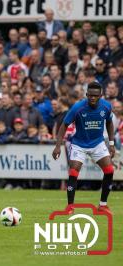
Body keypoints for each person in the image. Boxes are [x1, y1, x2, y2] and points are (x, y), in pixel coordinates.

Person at [52, 82, 115, 214]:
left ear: (100, 96)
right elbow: (64, 125)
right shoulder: (77, 107)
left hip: (97, 143)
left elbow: (109, 123)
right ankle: (70, 207)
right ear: (86, 95)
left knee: (109, 170)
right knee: (73, 171)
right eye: (90, 95)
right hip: (79, 144)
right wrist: (58, 146)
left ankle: (103, 205)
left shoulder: (106, 106)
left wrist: (111, 143)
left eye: (95, 96)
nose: (93, 98)